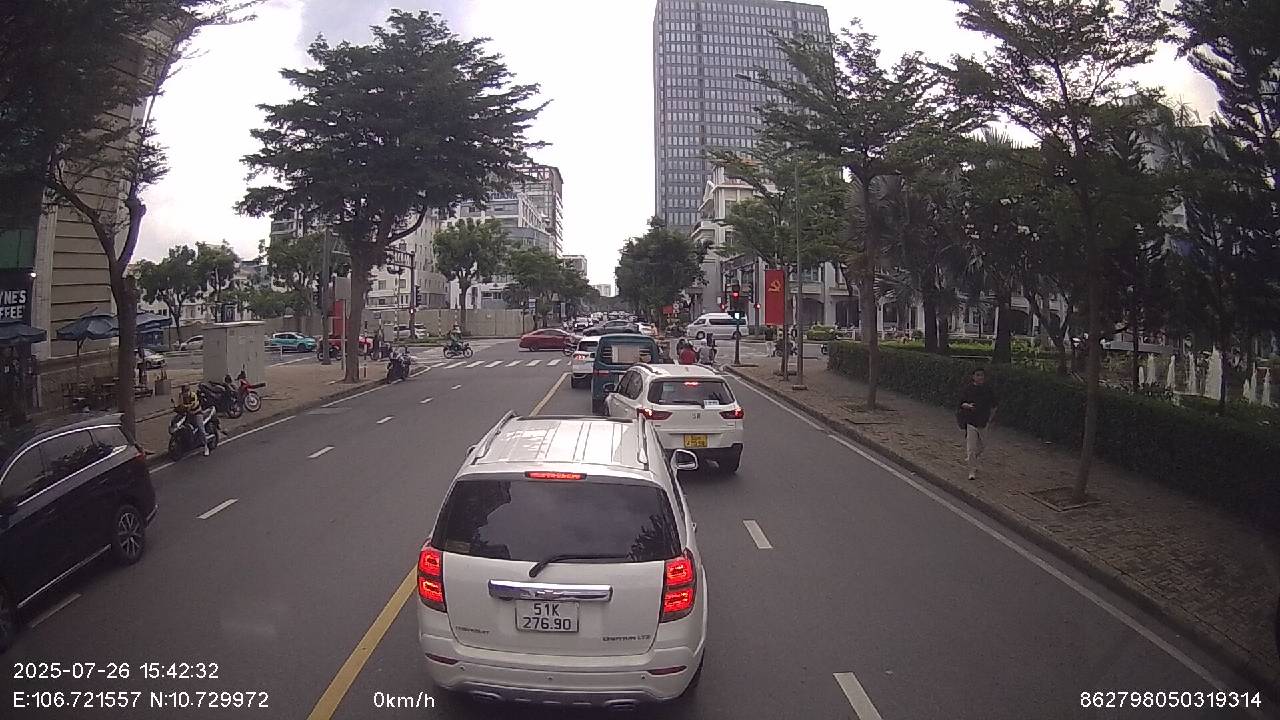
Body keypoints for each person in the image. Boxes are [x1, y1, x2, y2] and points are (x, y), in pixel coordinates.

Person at [956, 367, 998, 481]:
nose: (980, 377)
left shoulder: (988, 390)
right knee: (971, 448)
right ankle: (971, 470)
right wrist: (968, 406)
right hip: (971, 421)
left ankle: (972, 459)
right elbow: (961, 403)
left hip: (983, 422)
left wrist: (990, 418)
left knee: (982, 446)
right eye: (977, 375)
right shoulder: (968, 389)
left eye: (982, 375)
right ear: (973, 377)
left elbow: (994, 405)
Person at [174, 384, 210, 456]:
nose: (185, 393)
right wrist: (177, 407)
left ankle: (206, 446)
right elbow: (180, 404)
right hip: (188, 414)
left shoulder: (193, 395)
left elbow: (192, 405)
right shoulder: (181, 396)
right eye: (184, 391)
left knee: (200, 428)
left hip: (197, 413)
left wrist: (184, 407)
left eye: (187, 391)